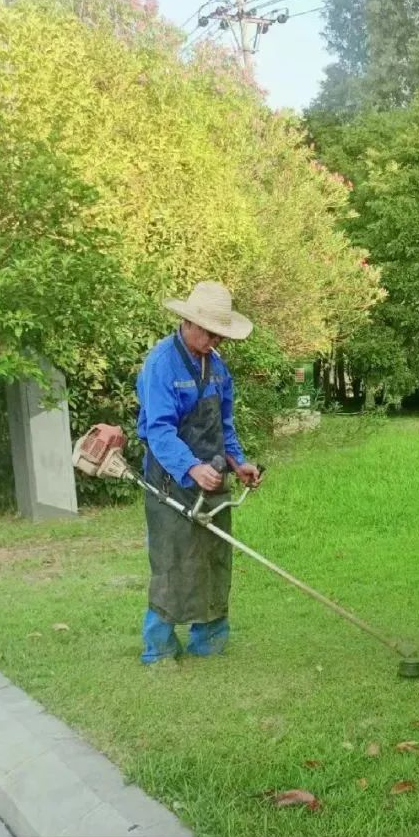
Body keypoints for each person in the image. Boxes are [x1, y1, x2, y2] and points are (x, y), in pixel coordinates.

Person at [135, 281, 262, 664]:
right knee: (173, 561)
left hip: (214, 478)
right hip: (171, 480)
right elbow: (159, 430)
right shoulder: (161, 365)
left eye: (219, 335)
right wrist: (191, 467)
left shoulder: (218, 368)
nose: (214, 341)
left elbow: (224, 425)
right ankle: (159, 648)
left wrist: (238, 463)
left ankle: (210, 640)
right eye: (209, 332)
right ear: (187, 323)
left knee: (214, 558)